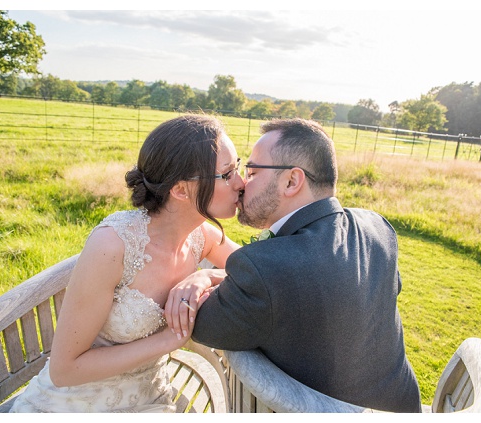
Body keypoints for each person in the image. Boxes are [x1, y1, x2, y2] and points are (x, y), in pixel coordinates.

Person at [166, 118, 422, 412]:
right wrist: (218, 275)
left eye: (250, 172)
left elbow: (197, 324)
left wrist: (204, 277)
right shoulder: (377, 227)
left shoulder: (265, 268)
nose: (241, 185)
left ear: (292, 181)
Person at [10, 114, 244, 412]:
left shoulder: (202, 236)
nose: (241, 183)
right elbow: (64, 369)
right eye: (226, 174)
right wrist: (170, 340)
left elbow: (256, 273)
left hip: (151, 398)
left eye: (238, 166)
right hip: (78, 403)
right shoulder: (113, 246)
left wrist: (203, 278)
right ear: (181, 190)